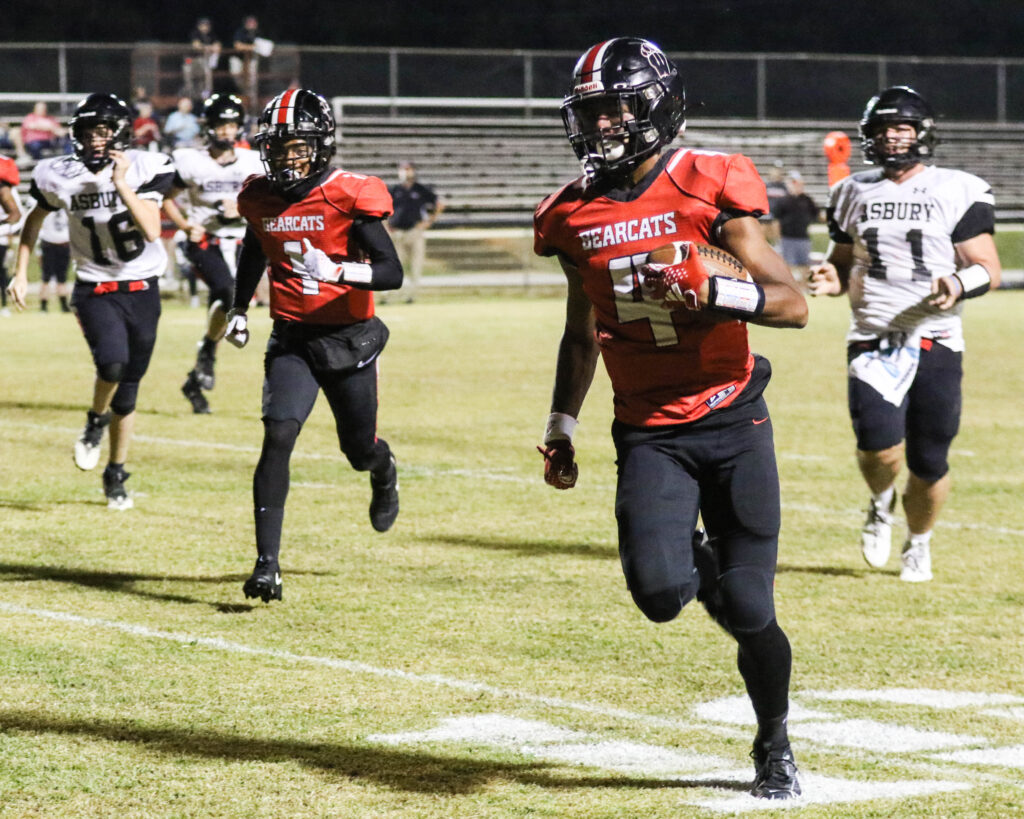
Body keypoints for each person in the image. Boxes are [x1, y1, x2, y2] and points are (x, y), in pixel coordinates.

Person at [534, 38, 807, 800]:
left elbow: (791, 302)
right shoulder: (568, 213)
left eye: (617, 107)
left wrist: (717, 292)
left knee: (752, 610)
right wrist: (562, 420)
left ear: (658, 103)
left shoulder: (710, 181)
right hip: (650, 428)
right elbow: (580, 329)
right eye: (592, 112)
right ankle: (696, 553)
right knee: (659, 593)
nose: (605, 125)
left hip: (733, 418)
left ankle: (773, 739)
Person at [808, 86, 1001, 583]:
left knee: (929, 459)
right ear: (868, 137)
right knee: (877, 446)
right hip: (874, 334)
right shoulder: (851, 191)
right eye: (882, 129)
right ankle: (879, 502)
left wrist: (959, 282)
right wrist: (830, 277)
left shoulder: (958, 188)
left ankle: (918, 543)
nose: (892, 138)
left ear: (921, 134)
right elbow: (842, 260)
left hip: (936, 337)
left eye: (902, 128)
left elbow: (987, 268)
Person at [224, 89, 403, 603]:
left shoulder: (351, 192)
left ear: (322, 145)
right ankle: (266, 565)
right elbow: (256, 245)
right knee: (277, 435)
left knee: (358, 450)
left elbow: (392, 271)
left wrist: (341, 270)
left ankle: (383, 469)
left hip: (347, 339)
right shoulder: (259, 196)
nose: (286, 158)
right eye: (277, 148)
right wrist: (239, 307)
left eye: (297, 147)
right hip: (292, 338)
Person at [6, 93, 175, 509]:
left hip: (142, 286)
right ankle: (95, 421)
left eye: (104, 130)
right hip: (94, 286)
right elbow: (34, 220)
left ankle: (116, 471)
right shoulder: (56, 174)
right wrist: (21, 271)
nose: (96, 139)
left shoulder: (148, 166)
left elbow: (153, 229)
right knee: (112, 363)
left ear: (121, 132)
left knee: (129, 388)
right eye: (88, 131)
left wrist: (120, 182)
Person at [162, 93, 263, 414]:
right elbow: (166, 197)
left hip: (243, 241)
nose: (227, 132)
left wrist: (243, 207)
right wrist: (184, 223)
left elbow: (267, 200)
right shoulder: (191, 160)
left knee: (225, 304)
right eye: (221, 125)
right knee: (228, 294)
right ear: (209, 127)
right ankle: (207, 350)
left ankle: (196, 378)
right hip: (205, 238)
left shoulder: (251, 162)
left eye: (232, 125)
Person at [387, 160, 443, 302]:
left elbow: (439, 203)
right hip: (397, 232)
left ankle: (411, 295)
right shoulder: (394, 190)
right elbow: (384, 209)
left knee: (415, 264)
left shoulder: (420, 189)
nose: (405, 172)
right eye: (403, 169)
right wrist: (387, 225)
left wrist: (428, 222)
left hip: (414, 232)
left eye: (408, 169)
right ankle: (389, 295)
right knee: (394, 265)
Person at [772, 170, 819, 281]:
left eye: (797, 182)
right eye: (793, 182)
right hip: (787, 238)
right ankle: (790, 290)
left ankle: (804, 290)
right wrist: (778, 238)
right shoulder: (783, 200)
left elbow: (816, 215)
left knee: (804, 265)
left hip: (803, 238)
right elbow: (776, 221)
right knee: (788, 266)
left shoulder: (807, 200)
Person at [0, 153, 23, 317]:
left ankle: (4, 305)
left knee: (1, 273)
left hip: (1, 237)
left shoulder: (3, 188)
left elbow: (15, 214)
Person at [38, 208, 72, 313]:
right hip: (60, 243)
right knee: (54, 278)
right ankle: (61, 306)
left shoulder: (46, 204)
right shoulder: (66, 204)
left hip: (51, 243)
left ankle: (46, 306)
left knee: (51, 278)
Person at [761, 160, 787, 246]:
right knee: (763, 230)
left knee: (776, 225)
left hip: (779, 216)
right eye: (776, 170)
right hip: (767, 214)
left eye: (780, 170)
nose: (777, 173)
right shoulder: (766, 185)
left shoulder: (785, 187)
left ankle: (778, 245)